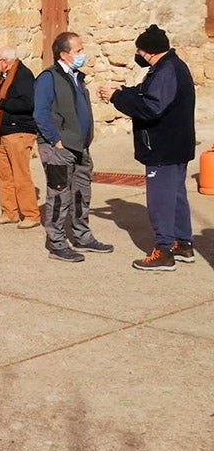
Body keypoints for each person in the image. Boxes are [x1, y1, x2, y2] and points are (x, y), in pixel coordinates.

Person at [98, 25, 196, 271]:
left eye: (139, 51)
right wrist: (123, 91)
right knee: (175, 195)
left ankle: (164, 251)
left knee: (161, 198)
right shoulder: (170, 67)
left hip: (162, 147)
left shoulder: (165, 72)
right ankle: (182, 244)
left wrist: (115, 99)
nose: (138, 56)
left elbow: (151, 107)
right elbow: (146, 94)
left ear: (148, 51)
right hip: (176, 145)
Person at [33, 32, 113, 262]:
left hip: (80, 147)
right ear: (64, 54)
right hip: (59, 147)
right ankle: (57, 243)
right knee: (59, 195)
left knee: (81, 192)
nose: (82, 54)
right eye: (78, 51)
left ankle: (82, 236)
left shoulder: (77, 77)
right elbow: (41, 113)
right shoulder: (49, 77)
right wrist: (56, 141)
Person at [0, 47, 41, 229]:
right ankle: (9, 212)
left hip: (19, 131)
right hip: (4, 131)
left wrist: (0, 103)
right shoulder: (6, 77)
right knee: (4, 175)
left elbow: (28, 103)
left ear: (4, 61)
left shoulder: (23, 75)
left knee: (20, 174)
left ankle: (31, 215)